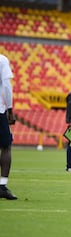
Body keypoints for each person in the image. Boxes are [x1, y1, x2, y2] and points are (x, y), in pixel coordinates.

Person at [0, 54, 17, 200]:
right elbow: (6, 85)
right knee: (5, 146)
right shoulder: (2, 60)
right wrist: (10, 109)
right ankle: (2, 186)